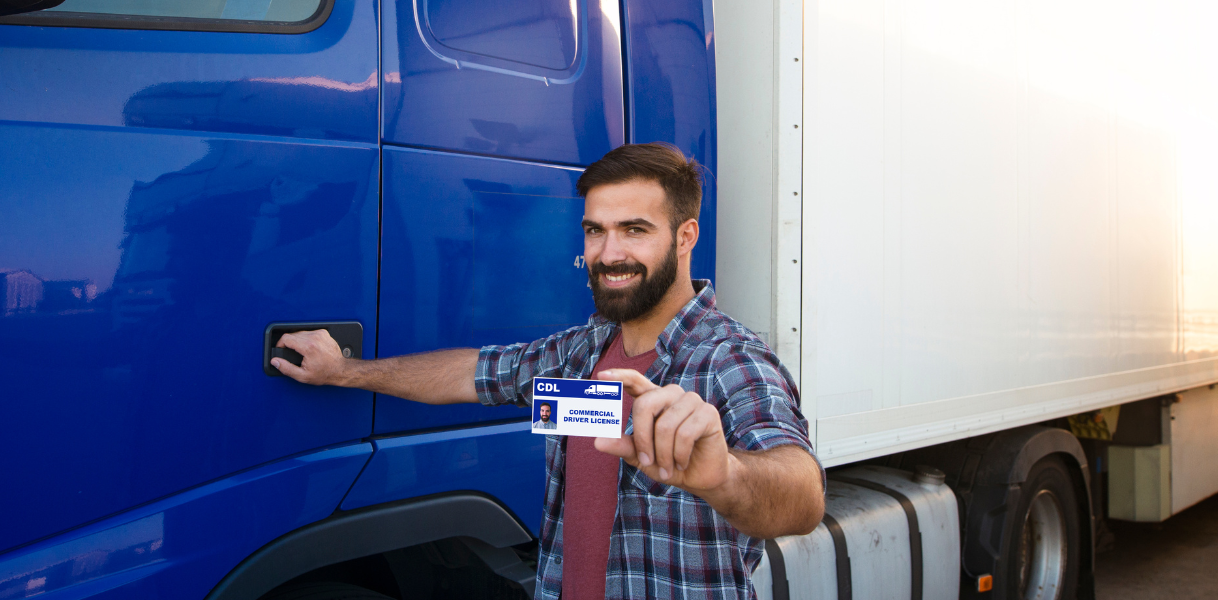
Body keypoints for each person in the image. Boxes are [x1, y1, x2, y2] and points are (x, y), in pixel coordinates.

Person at [272, 143, 825, 599]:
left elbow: (804, 494)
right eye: (594, 230)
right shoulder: (581, 351)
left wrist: (726, 474)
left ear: (685, 237)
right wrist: (345, 372)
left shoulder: (728, 357)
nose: (608, 254)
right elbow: (473, 373)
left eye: (634, 230)